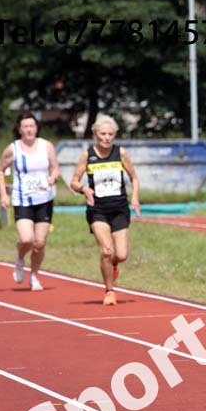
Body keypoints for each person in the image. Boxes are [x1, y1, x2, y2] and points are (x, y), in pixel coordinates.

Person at [70, 115, 141, 306]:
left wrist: (134, 197)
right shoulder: (88, 155)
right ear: (95, 134)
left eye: (110, 134)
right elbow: (74, 181)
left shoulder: (121, 153)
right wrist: (84, 189)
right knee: (107, 250)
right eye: (103, 134)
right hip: (98, 210)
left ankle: (114, 266)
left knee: (121, 255)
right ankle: (109, 291)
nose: (107, 138)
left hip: (119, 209)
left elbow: (134, 177)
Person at [0, 112, 60, 291]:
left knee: (39, 243)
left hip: (44, 199)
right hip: (22, 199)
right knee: (27, 239)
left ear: (36, 128)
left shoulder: (46, 146)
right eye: (25, 126)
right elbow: (0, 170)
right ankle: (20, 258)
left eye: (32, 126)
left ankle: (34, 276)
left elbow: (55, 169)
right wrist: (3, 195)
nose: (29, 130)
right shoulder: (13, 149)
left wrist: (52, 178)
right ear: (19, 129)